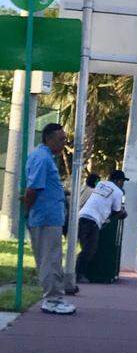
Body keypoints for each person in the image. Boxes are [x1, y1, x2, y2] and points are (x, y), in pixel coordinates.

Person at [23, 122, 74, 315]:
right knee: (50, 259)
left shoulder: (45, 158)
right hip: (45, 217)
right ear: (49, 139)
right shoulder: (42, 159)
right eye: (61, 139)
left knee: (52, 257)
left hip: (49, 216)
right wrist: (28, 212)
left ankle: (54, 297)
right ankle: (52, 299)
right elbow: (33, 188)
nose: (63, 143)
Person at [75, 170, 128, 283]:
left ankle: (77, 272)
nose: (123, 184)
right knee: (90, 249)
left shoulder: (100, 184)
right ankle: (78, 274)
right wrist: (123, 214)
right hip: (92, 220)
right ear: (118, 181)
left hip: (82, 216)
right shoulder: (118, 192)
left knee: (86, 247)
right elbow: (117, 211)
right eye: (122, 181)